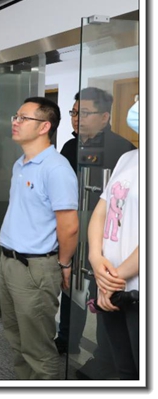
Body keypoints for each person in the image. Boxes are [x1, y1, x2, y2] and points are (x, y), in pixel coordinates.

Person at [56, 88, 135, 378]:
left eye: (84, 113)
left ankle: (104, 358)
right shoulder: (70, 147)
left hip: (110, 246)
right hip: (76, 233)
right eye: (74, 112)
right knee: (69, 286)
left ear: (104, 117)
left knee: (99, 297)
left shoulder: (121, 149)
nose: (77, 118)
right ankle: (67, 338)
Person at [0, 97, 79, 379]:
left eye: (23, 118)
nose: (15, 122)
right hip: (9, 261)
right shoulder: (20, 164)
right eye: (16, 116)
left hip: (35, 268)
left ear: (45, 126)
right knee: (16, 337)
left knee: (38, 348)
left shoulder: (56, 168)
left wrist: (64, 263)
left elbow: (69, 226)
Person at [87, 100, 139, 380]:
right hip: (111, 285)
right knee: (123, 369)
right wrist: (96, 259)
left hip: (136, 290)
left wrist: (111, 279)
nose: (136, 107)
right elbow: (101, 212)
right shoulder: (129, 159)